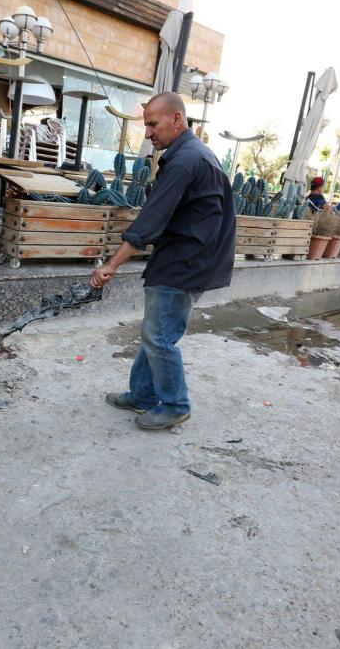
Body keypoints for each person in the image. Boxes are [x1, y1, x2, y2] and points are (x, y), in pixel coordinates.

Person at [90, 91, 235, 430]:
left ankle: (174, 404)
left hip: (185, 263)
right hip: (186, 257)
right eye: (146, 125)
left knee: (159, 338)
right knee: (156, 332)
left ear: (177, 119)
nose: (148, 132)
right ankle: (142, 395)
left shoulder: (187, 160)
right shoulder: (191, 154)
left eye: (153, 124)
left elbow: (151, 220)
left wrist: (111, 264)